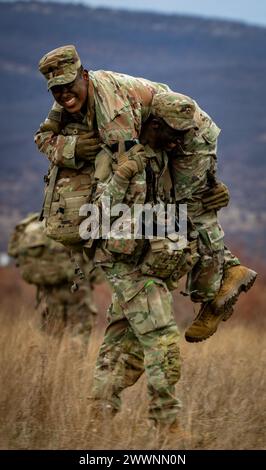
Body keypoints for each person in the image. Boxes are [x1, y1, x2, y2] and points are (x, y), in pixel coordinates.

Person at [8, 213, 98, 341]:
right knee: (80, 326)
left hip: (50, 287)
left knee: (52, 327)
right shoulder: (75, 220)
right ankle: (75, 360)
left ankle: (48, 357)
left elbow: (12, 251)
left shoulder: (39, 225)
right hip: (75, 285)